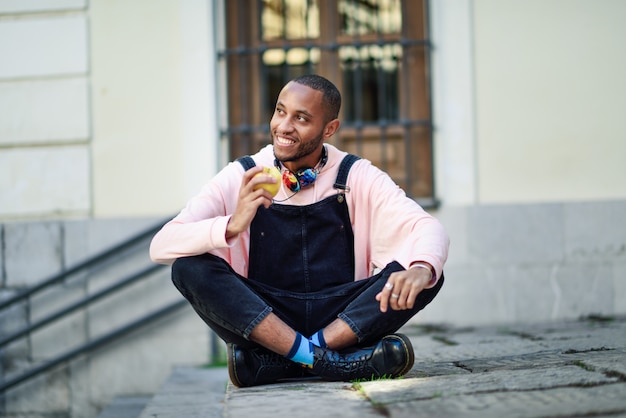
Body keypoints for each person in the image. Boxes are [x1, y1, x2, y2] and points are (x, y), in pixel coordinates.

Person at [150, 74, 449, 387]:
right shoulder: (245, 172)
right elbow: (161, 245)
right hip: (266, 315)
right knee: (188, 267)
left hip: (341, 315)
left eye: (301, 118)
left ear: (329, 129)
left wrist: (420, 268)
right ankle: (329, 361)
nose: (284, 127)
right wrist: (233, 224)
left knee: (428, 271)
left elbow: (426, 227)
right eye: (280, 111)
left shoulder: (356, 173)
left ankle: (284, 360)